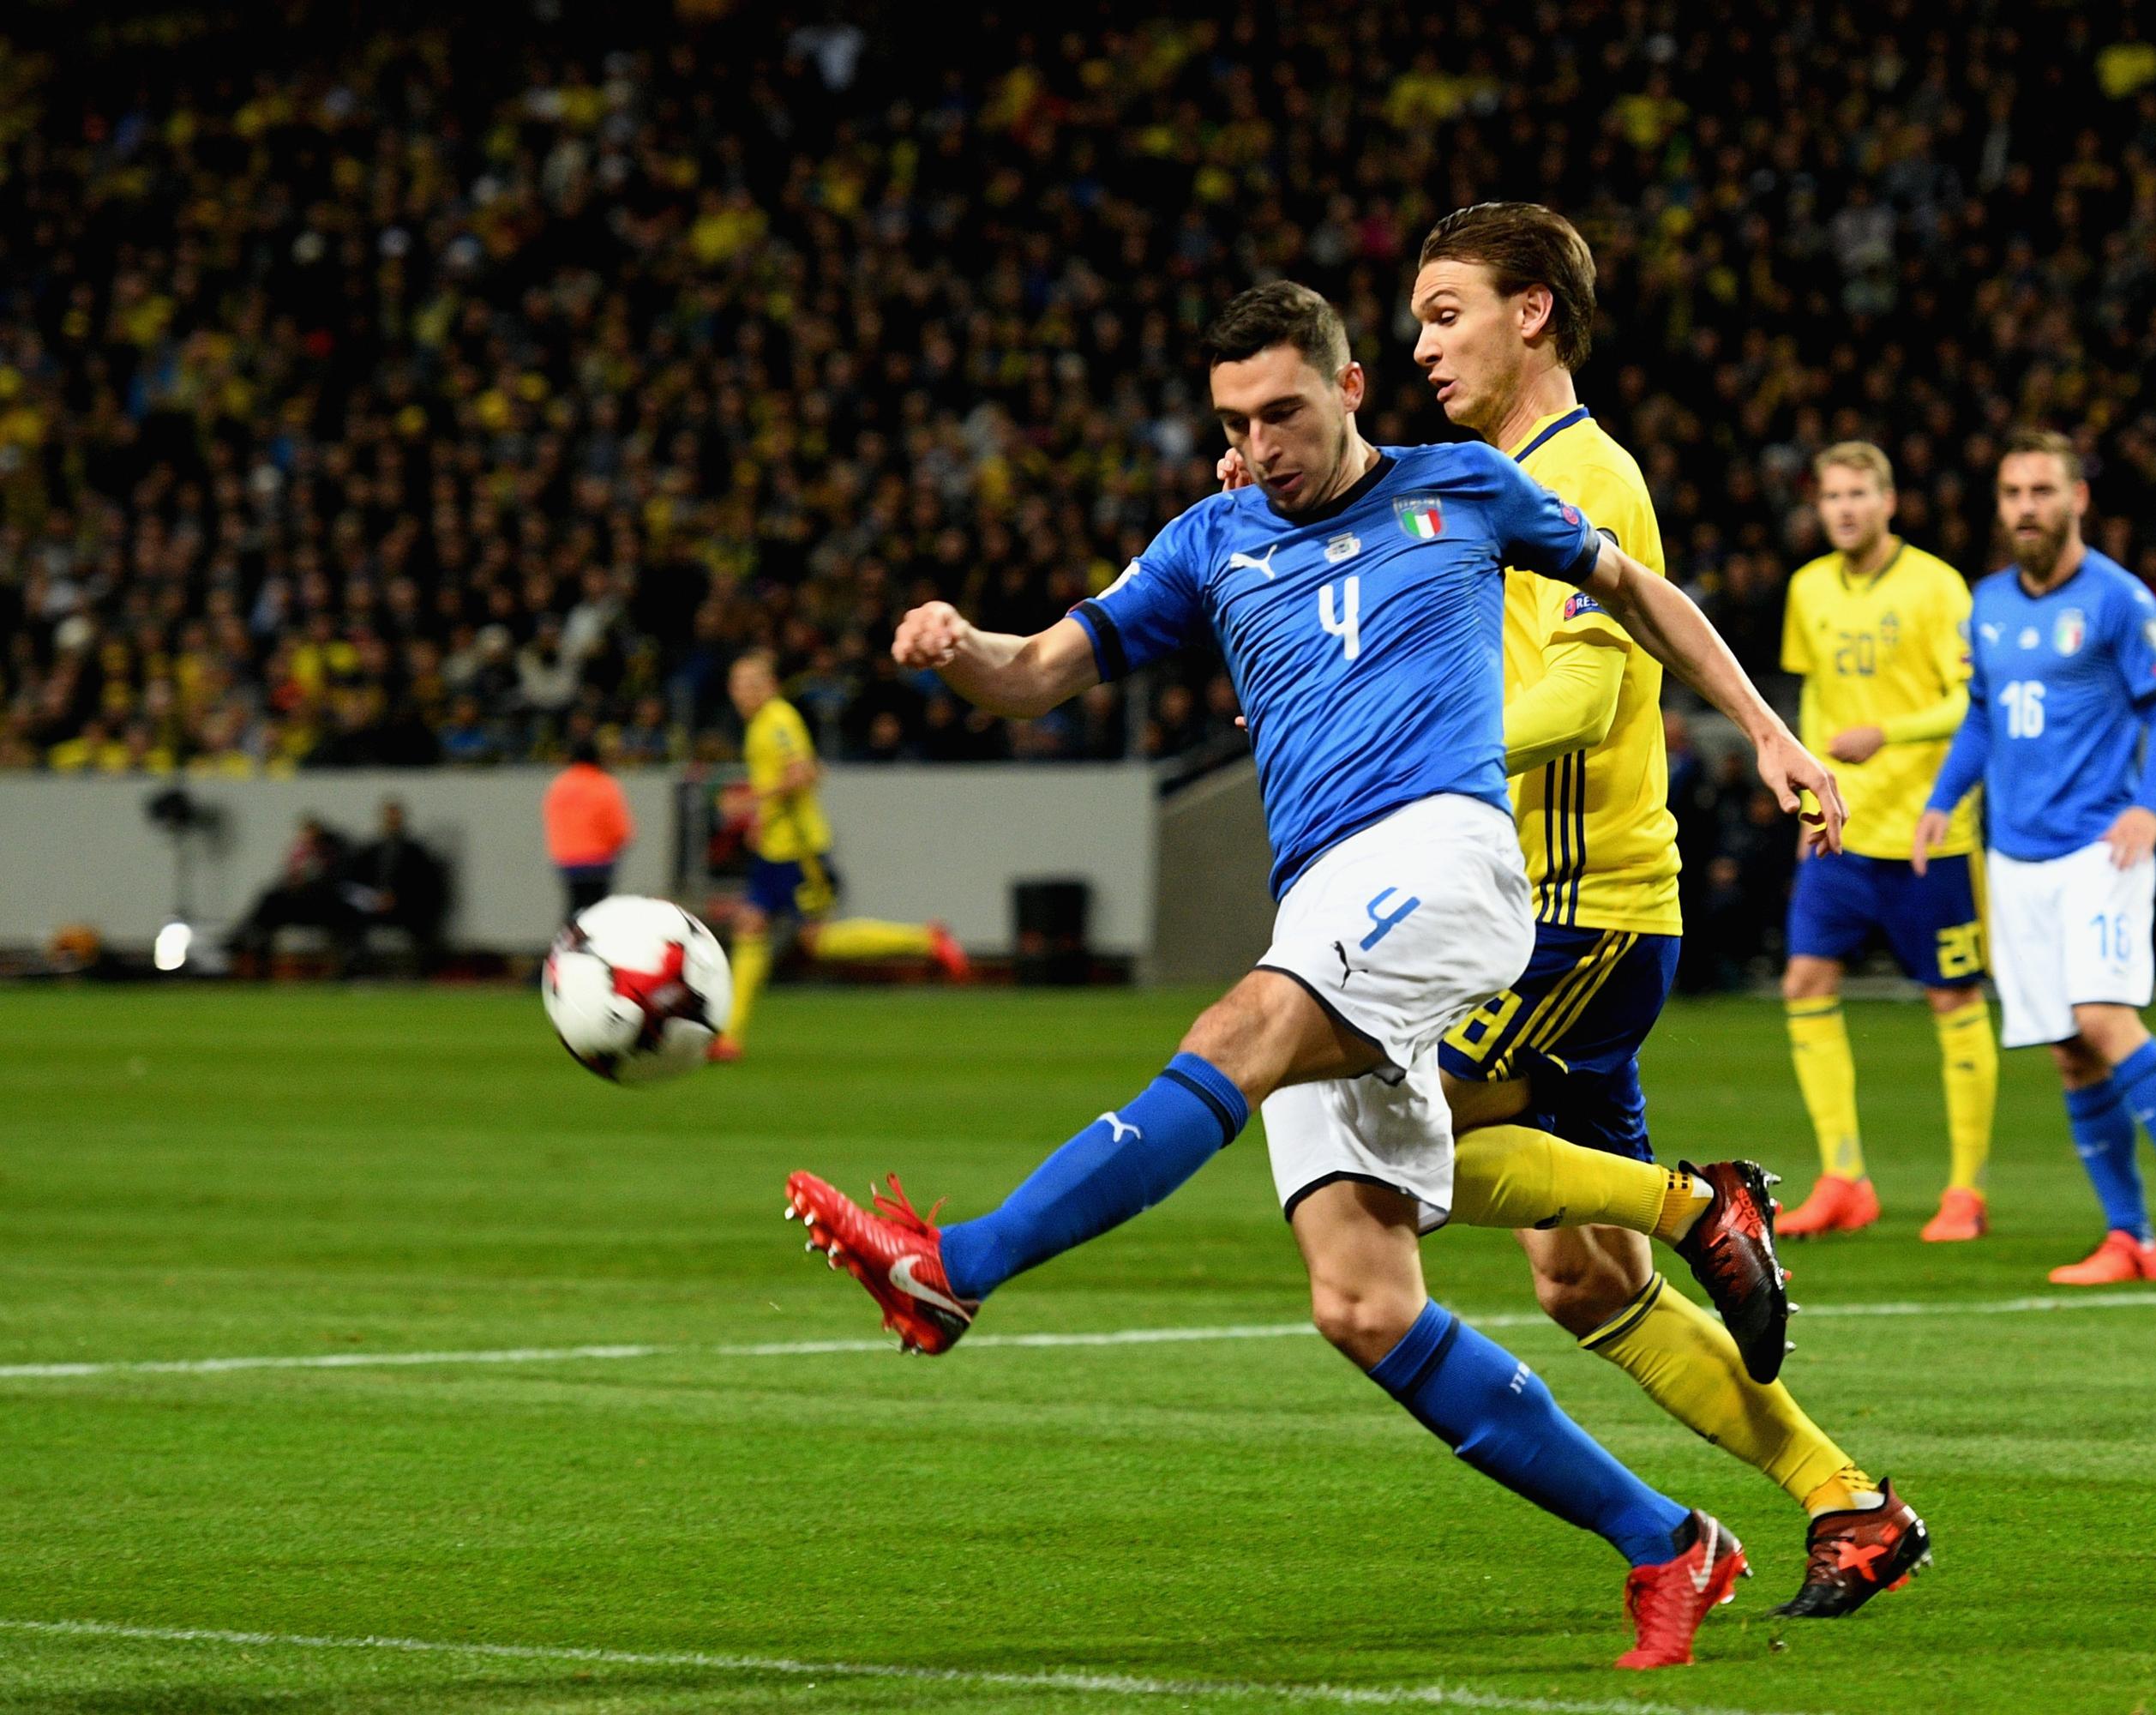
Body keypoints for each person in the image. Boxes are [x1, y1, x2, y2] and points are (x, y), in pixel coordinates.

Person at [786, 280, 1847, 1668]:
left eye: (1284, 410)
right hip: (1327, 900)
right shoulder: (1205, 541)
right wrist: (960, 648)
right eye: (1234, 419)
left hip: (1451, 860)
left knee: (1245, 1026)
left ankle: (960, 1264)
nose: (1260, 442)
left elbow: (1637, 590)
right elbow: (1041, 671)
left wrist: (1767, 732)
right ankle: (1669, 1542)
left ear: (1351, 392)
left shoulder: (1464, 488)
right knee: (1363, 1303)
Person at [1399, 206, 1927, 1618]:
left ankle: (1707, 1202)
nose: (1420, 342)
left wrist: (1433, 756)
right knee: (1583, 1285)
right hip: (1567, 910)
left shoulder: (1590, 474)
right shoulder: (1492, 475)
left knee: (1407, 1151)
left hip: (1576, 912)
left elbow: (1590, 689)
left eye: (1446, 312)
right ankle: (1853, 1505)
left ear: (1534, 314)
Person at [1915, 429, 2156, 1285]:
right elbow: (1984, 715)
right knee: (2069, 1047)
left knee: (2103, 1016)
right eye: (2013, 492)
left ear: (2077, 499)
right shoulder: (1986, 602)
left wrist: (2148, 806)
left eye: (2042, 491)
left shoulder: (2119, 601)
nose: (2027, 507)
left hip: (2099, 846)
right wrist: (1943, 799)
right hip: (2015, 859)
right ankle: (2128, 1235)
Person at [1770, 442, 1998, 1244]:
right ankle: (1843, 1177)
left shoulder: (1938, 588)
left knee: (1954, 999)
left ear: (1889, 502)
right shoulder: (1808, 590)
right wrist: (1810, 797)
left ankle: (1965, 1190)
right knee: (1805, 981)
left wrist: (1889, 733)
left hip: (1930, 835)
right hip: (1844, 829)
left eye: (1859, 494)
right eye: (1831, 495)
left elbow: (1973, 700)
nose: (1844, 508)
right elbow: (1818, 702)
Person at [709, 650, 967, 1062]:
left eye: (752, 683)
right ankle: (728, 1036)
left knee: (819, 941)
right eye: (738, 684)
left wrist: (749, 801)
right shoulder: (761, 724)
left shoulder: (777, 719)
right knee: (750, 927)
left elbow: (805, 772)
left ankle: (926, 938)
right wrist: (762, 816)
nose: (744, 692)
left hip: (800, 850)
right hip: (776, 849)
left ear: (770, 686)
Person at [226, 814, 355, 977]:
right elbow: (288, 879)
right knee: (270, 898)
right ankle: (247, 937)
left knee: (342, 913)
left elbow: (333, 882)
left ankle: (343, 967)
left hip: (321, 905)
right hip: (296, 904)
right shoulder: (298, 853)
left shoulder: (331, 854)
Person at [343, 797, 451, 972]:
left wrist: (398, 899)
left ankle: (419, 970)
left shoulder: (416, 853)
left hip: (406, 909)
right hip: (372, 909)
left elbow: (427, 887)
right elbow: (350, 884)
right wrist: (373, 899)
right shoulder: (369, 852)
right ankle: (357, 966)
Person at [544, 737, 633, 920]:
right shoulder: (604, 783)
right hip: (600, 862)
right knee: (599, 913)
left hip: (567, 861)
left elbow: (552, 820)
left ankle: (568, 945)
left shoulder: (559, 785)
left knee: (574, 906)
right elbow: (620, 829)